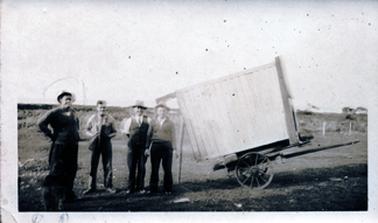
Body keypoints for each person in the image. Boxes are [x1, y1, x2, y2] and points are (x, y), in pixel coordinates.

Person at [37, 91, 80, 210]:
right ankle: (53, 198)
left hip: (73, 145)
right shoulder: (54, 112)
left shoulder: (73, 112)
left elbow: (76, 125)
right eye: (66, 99)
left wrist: (76, 136)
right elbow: (40, 123)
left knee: (71, 169)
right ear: (60, 101)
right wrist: (51, 135)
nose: (68, 101)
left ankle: (67, 194)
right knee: (56, 170)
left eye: (70, 99)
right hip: (59, 146)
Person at [83, 100, 117, 195]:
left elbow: (115, 131)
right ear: (97, 108)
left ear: (106, 108)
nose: (102, 109)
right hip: (95, 144)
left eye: (104, 108)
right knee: (93, 165)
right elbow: (86, 130)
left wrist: (109, 135)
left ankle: (109, 186)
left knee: (108, 165)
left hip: (106, 144)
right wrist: (91, 134)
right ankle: (91, 187)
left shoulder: (110, 119)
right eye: (100, 107)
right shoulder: (92, 118)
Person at [120, 100, 151, 194]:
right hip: (132, 148)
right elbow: (126, 133)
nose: (139, 110)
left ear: (143, 109)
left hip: (143, 148)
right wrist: (132, 143)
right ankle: (130, 187)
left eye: (141, 108)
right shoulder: (129, 120)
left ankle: (141, 187)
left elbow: (149, 135)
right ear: (134, 109)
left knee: (142, 167)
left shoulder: (148, 120)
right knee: (132, 167)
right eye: (137, 108)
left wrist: (147, 148)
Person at [146, 103, 177, 194]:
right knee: (154, 168)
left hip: (167, 147)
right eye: (160, 110)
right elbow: (149, 135)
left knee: (167, 169)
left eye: (163, 111)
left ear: (166, 112)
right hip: (156, 146)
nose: (162, 112)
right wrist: (147, 148)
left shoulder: (170, 123)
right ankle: (153, 189)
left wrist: (174, 149)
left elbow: (173, 136)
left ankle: (168, 189)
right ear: (157, 112)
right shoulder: (153, 122)